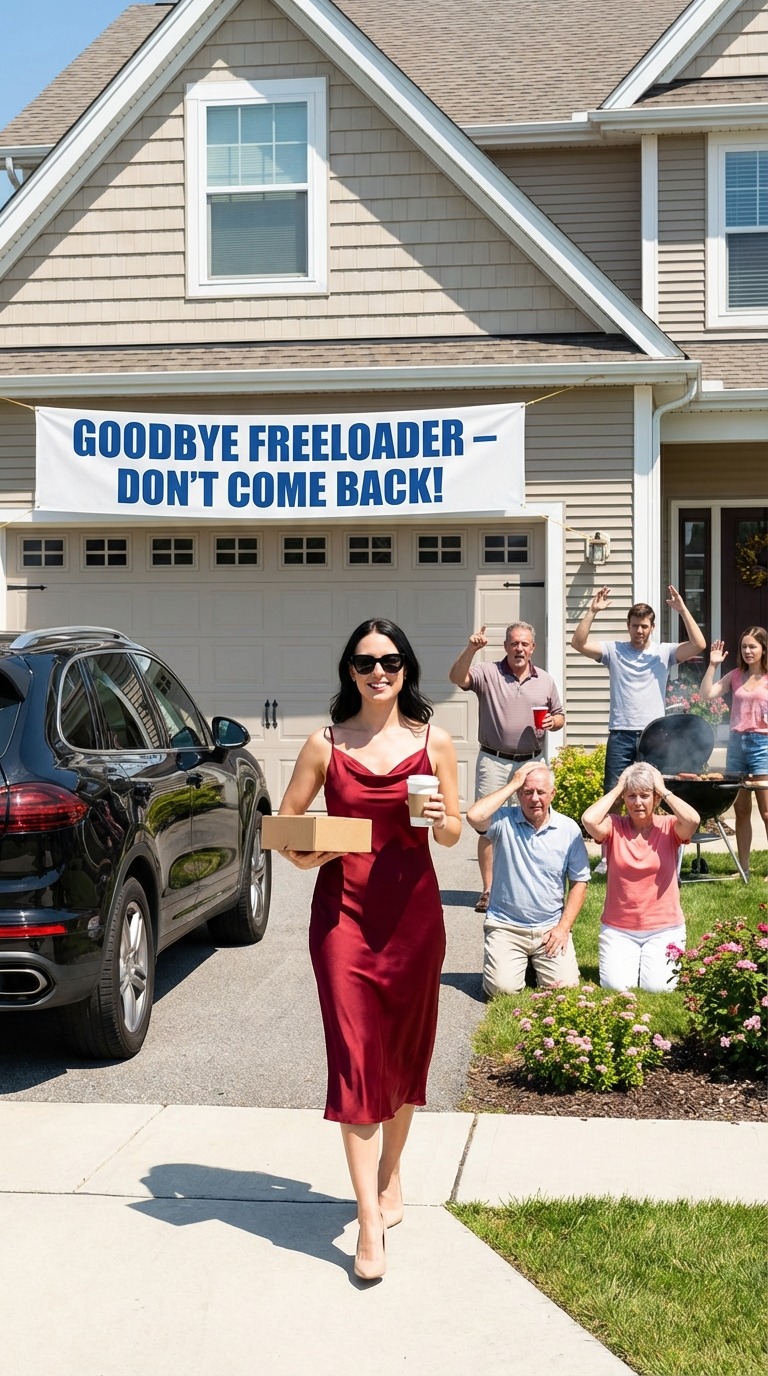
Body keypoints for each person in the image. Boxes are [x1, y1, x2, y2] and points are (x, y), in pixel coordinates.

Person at [277, 618, 461, 1282]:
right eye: (363, 662)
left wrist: (446, 820)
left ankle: (390, 1177)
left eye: (388, 660)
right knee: (356, 1062)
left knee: (406, 1059)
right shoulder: (323, 745)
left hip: (415, 920)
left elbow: (449, 837)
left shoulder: (435, 742)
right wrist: (319, 848)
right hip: (343, 921)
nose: (377, 671)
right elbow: (287, 834)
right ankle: (370, 1222)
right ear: (348, 672)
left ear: (406, 668)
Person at [571, 585, 705, 872]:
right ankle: (609, 858)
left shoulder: (664, 653)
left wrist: (683, 610)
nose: (639, 631)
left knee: (653, 793)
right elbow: (578, 643)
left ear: (652, 627)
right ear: (628, 626)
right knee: (615, 794)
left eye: (644, 626)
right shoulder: (613, 651)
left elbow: (699, 645)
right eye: (634, 626)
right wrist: (592, 611)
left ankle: (654, 849)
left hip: (654, 736)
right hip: (620, 732)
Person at [449, 621, 564, 912]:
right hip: (494, 760)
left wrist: (553, 722)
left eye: (525, 644)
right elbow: (456, 678)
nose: (519, 649)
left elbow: (560, 715)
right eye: (514, 643)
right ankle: (489, 891)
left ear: (533, 648)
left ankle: (530, 886)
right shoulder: (488, 672)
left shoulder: (545, 680)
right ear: (506, 647)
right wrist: (471, 650)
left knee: (534, 823)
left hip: (533, 762)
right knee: (488, 826)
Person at [466, 760, 589, 996]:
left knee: (563, 991)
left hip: (550, 928)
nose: (534, 798)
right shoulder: (503, 821)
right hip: (506, 926)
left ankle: (530, 964)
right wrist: (513, 783)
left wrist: (563, 927)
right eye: (527, 792)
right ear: (518, 795)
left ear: (552, 794)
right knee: (501, 990)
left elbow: (579, 882)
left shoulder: (568, 829)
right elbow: (474, 815)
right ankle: (516, 962)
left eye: (541, 792)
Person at [582, 762, 699, 991]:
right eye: (631, 796)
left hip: (664, 927)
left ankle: (649, 961)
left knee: (658, 988)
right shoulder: (614, 826)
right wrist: (618, 788)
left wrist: (663, 789)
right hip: (619, 928)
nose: (637, 802)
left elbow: (693, 820)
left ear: (656, 799)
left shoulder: (669, 827)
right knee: (616, 987)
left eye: (645, 796)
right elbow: (589, 820)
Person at [700, 626, 768, 880]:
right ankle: (744, 868)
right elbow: (706, 695)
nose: (748, 651)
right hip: (737, 746)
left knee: (766, 811)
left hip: (763, 746)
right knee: (740, 809)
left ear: (763, 649)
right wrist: (712, 665)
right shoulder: (736, 676)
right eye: (744, 647)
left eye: (753, 646)